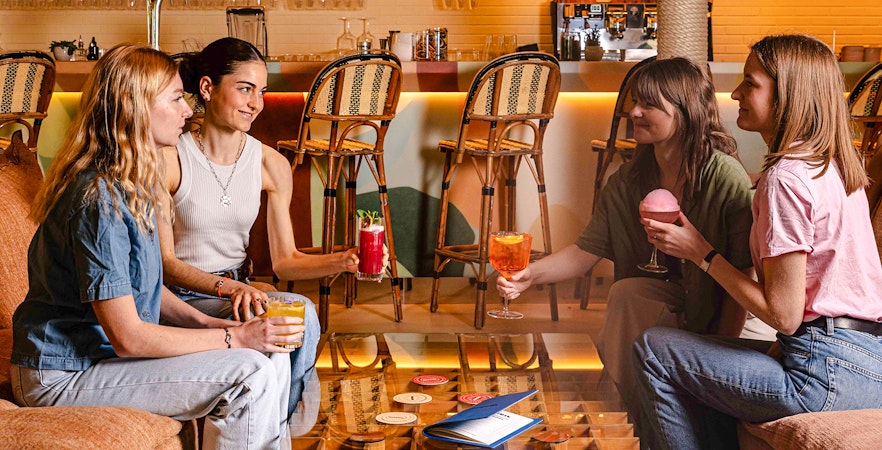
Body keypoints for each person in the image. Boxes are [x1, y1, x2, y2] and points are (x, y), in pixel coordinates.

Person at [9, 44, 299, 449]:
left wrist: (220, 326)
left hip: (103, 357)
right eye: (177, 98)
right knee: (249, 372)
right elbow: (129, 336)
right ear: (135, 107)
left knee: (272, 354)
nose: (187, 110)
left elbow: (145, 288)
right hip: (66, 373)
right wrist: (236, 340)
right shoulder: (99, 199)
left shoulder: (131, 181)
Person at [633, 34, 882, 450]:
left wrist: (701, 253)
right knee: (698, 364)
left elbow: (782, 316)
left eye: (750, 83)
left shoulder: (786, 177)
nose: (734, 94)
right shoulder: (836, 166)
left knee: (654, 348)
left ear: (787, 95)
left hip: (822, 377)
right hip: (871, 369)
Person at [496, 57, 768, 429]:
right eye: (634, 100)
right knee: (628, 293)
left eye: (649, 104)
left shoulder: (723, 177)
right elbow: (584, 252)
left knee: (640, 309)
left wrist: (715, 354)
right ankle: (646, 425)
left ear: (685, 111)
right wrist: (531, 274)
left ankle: (663, 421)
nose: (633, 111)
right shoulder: (628, 180)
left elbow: (742, 276)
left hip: (735, 311)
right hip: (675, 301)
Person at [159, 37, 358, 419]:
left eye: (262, 92)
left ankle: (280, 423)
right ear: (207, 88)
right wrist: (231, 287)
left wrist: (343, 261)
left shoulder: (270, 164)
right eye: (245, 89)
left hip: (242, 292)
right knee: (285, 318)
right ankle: (278, 427)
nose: (256, 103)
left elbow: (285, 262)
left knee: (301, 312)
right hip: (182, 297)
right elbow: (165, 263)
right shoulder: (171, 159)